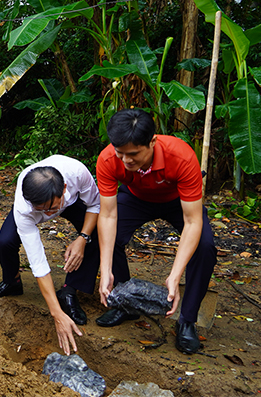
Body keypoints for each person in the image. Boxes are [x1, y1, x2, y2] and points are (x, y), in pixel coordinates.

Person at [95, 109, 217, 354]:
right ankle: (124, 301)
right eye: (120, 153)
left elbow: (192, 222)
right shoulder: (109, 159)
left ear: (152, 141)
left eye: (133, 154)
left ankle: (187, 320)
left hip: (176, 201)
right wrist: (105, 268)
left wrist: (174, 276)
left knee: (205, 247)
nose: (126, 160)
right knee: (113, 236)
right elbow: (107, 215)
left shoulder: (181, 156)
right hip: (137, 197)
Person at [0, 155, 101, 355]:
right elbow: (38, 262)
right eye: (41, 211)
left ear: (64, 188)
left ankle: (69, 290)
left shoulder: (77, 173)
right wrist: (56, 314)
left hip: (72, 202)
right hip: (43, 201)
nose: (48, 215)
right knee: (5, 241)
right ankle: (12, 282)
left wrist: (82, 238)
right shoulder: (24, 206)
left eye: (51, 210)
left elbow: (95, 205)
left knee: (94, 236)